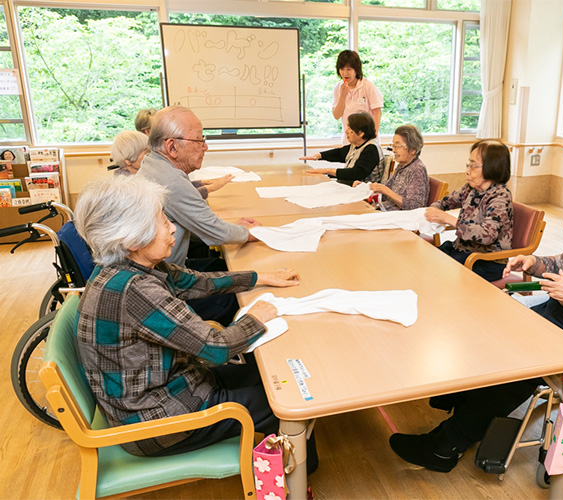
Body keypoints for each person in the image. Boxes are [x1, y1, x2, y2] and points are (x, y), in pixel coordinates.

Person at [389, 168, 563, 473]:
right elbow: (559, 263)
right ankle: (463, 409)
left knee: (516, 369)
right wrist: (533, 262)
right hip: (555, 317)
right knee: (489, 336)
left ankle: (445, 446)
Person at [74, 174, 300, 457]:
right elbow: (216, 348)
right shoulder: (136, 291)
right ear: (132, 238)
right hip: (156, 421)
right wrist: (256, 318)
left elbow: (199, 282)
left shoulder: (125, 266)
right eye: (163, 222)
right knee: (284, 401)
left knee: (270, 375)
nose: (172, 230)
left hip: (164, 390)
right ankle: (297, 479)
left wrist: (260, 277)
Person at [137, 105, 258, 325]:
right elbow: (216, 233)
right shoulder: (170, 180)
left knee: (222, 268)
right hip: (162, 289)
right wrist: (254, 233)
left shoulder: (153, 164)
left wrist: (230, 227)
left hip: (164, 274)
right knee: (236, 298)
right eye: (199, 141)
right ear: (172, 147)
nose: (206, 147)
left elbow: (198, 226)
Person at [424, 140, 513, 281]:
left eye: (473, 166)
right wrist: (434, 210)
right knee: (425, 261)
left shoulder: (500, 196)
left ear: (492, 167)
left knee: (438, 273)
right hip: (462, 251)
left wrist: (448, 219)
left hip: (486, 261)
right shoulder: (470, 188)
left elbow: (487, 235)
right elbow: (443, 203)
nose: (467, 170)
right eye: (468, 164)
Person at [355, 124, 429, 211]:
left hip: (398, 218)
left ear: (413, 150)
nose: (393, 150)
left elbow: (414, 206)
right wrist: (366, 186)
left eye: (397, 146)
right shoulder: (401, 166)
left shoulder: (417, 170)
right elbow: (385, 193)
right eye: (393, 145)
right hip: (385, 210)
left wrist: (385, 190)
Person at [302, 111, 385, 185]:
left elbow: (357, 173)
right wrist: (319, 156)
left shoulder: (371, 149)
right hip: (351, 185)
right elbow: (340, 153)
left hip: (364, 190)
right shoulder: (356, 145)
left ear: (360, 133)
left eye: (349, 128)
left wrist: (329, 170)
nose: (346, 131)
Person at [332, 50, 383, 145]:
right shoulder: (338, 88)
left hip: (367, 140)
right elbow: (336, 115)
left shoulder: (367, 85)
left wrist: (373, 137)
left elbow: (377, 113)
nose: (345, 73)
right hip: (348, 141)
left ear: (356, 70)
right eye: (342, 69)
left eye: (349, 69)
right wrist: (343, 95)